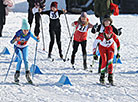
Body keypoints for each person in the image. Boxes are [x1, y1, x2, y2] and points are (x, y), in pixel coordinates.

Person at [10, 19, 39, 84]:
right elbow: (11, 42)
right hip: (17, 47)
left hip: (25, 47)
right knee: (20, 59)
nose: (26, 32)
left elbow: (36, 39)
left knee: (26, 60)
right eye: (24, 30)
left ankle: (28, 75)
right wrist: (15, 39)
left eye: (27, 30)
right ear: (22, 29)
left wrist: (37, 39)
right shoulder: (18, 33)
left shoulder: (29, 33)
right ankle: (16, 75)